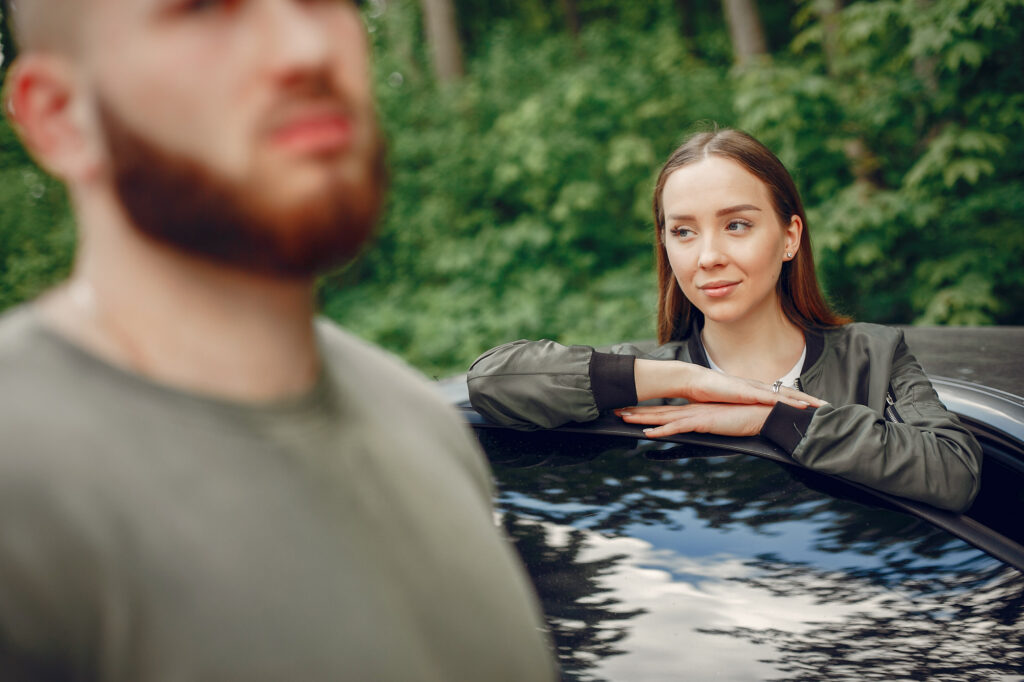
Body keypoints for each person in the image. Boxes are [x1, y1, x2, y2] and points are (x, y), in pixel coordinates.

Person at [0, 1, 556, 679]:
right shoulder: (19, 487)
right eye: (206, 8)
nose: (304, 49)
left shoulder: (422, 424)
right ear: (59, 115)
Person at [468, 128, 982, 513]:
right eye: (684, 232)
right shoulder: (646, 380)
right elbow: (491, 381)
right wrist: (689, 379)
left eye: (736, 225)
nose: (708, 256)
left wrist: (773, 418)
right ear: (665, 245)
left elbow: (954, 472)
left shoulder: (875, 355)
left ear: (789, 237)